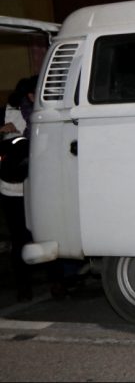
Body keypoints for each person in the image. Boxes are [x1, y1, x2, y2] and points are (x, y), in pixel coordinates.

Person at [0, 76, 37, 301]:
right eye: (33, 94)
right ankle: (24, 287)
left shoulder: (39, 113)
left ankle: (58, 282)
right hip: (11, 187)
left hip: (37, 186)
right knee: (19, 238)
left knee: (42, 234)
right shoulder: (9, 112)